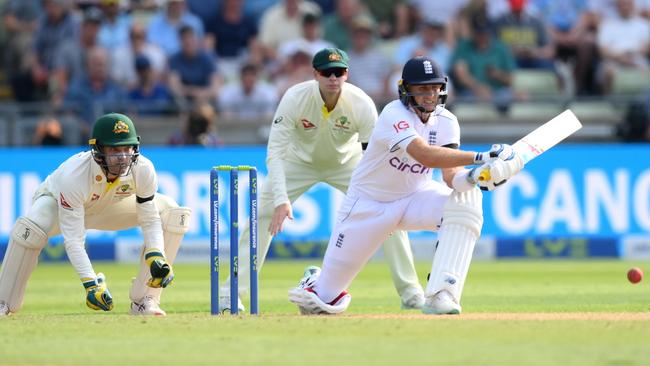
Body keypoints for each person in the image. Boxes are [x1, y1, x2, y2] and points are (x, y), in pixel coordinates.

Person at [288, 56, 524, 315]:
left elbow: (451, 176)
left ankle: (441, 294)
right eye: (422, 89)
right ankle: (315, 280)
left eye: (434, 88)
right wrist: (483, 157)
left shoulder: (447, 121)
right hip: (368, 204)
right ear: (406, 89)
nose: (429, 95)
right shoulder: (393, 113)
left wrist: (475, 177)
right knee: (322, 303)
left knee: (467, 200)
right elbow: (424, 155)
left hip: (415, 198)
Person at [221, 48, 426, 312]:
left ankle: (411, 294)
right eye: (327, 72)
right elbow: (275, 152)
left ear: (347, 74)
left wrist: (381, 197)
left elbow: (374, 156)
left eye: (338, 72)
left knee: (389, 215)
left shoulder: (361, 103)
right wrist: (281, 201)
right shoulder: (295, 97)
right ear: (315, 74)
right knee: (262, 213)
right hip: (298, 162)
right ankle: (231, 292)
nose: (333, 78)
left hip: (349, 164)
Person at [0, 113, 191, 317]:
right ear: (98, 150)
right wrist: (91, 285)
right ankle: (4, 302)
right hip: (57, 208)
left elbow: (150, 218)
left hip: (108, 209)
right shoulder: (74, 176)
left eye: (127, 149)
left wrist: (157, 255)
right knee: (30, 227)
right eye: (115, 150)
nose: (123, 158)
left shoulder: (143, 168)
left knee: (171, 211)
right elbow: (73, 240)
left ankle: (146, 300)